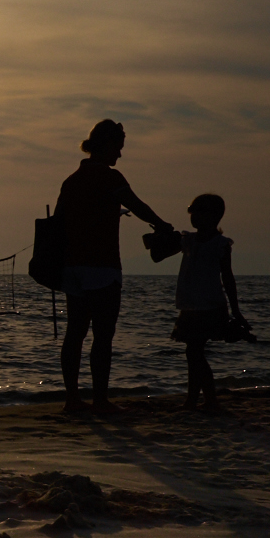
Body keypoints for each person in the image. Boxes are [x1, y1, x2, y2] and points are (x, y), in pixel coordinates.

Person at [54, 120, 174, 414]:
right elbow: (138, 205)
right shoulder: (110, 178)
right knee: (103, 335)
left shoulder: (71, 181)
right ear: (106, 145)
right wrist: (163, 225)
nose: (119, 155)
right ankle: (100, 400)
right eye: (118, 148)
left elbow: (57, 222)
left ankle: (72, 399)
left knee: (75, 333)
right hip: (102, 266)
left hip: (72, 267)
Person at [172, 193, 246, 412]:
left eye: (199, 212)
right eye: (192, 213)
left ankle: (206, 399)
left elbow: (228, 278)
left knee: (194, 352)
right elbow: (159, 253)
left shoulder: (220, 244)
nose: (194, 217)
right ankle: (196, 400)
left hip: (210, 304)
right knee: (193, 353)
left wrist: (236, 310)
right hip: (190, 305)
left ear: (214, 216)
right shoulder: (188, 240)